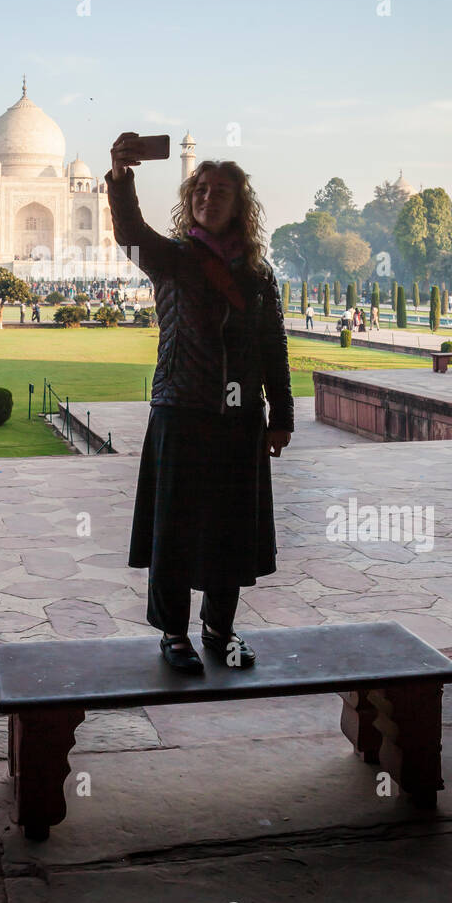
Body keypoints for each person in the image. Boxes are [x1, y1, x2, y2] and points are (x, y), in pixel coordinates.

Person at [106, 132, 293, 674]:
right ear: (190, 200)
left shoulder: (258, 275)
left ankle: (220, 628)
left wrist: (280, 416)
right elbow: (131, 232)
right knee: (177, 527)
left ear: (240, 204)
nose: (210, 198)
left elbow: (271, 347)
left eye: (222, 191)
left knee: (229, 528)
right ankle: (173, 633)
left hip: (237, 421)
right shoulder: (171, 259)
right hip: (181, 411)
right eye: (201, 190)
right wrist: (121, 176)